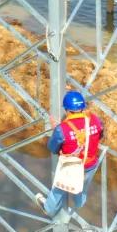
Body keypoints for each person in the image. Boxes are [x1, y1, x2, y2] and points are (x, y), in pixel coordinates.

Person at [35, 91, 104, 219]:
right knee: (82, 186)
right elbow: (100, 133)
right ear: (82, 107)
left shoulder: (62, 129)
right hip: (90, 163)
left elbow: (52, 148)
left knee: (59, 188)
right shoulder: (94, 119)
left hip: (71, 166)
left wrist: (57, 130)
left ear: (67, 110)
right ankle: (79, 202)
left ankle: (49, 209)